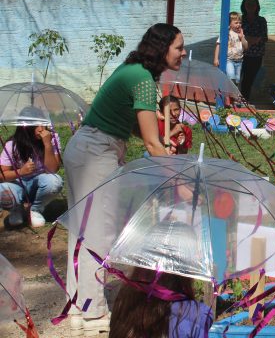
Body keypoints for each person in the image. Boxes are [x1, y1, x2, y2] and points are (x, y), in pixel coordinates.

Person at [62, 23, 186, 334]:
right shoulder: (143, 79)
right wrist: (180, 180)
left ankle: (79, 307)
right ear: (162, 49)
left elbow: (134, 127)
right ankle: (93, 314)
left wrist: (159, 141)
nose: (183, 53)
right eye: (179, 47)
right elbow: (150, 143)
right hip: (96, 152)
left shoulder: (134, 72)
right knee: (98, 234)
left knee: (82, 231)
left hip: (86, 147)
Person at [0, 111, 63, 228]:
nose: (41, 129)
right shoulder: (12, 144)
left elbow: (53, 169)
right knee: (2, 191)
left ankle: (35, 210)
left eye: (43, 124)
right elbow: (2, 175)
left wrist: (48, 145)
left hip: (41, 184)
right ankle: (17, 209)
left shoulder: (52, 139)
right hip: (17, 184)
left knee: (55, 181)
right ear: (25, 127)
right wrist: (21, 172)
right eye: (35, 126)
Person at [240, 0, 268, 101]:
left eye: (253, 4)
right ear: (244, 6)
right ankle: (235, 101)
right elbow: (237, 35)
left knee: (249, 79)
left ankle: (244, 101)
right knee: (237, 78)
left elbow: (264, 37)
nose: (250, 6)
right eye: (248, 4)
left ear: (257, 6)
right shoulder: (241, 20)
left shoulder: (261, 20)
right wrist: (253, 39)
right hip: (240, 55)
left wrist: (246, 39)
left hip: (256, 56)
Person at [213, 11, 248, 86]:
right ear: (230, 24)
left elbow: (246, 47)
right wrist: (216, 58)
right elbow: (218, 45)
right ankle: (229, 92)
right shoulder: (226, 33)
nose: (239, 25)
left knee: (237, 80)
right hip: (229, 60)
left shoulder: (241, 34)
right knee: (231, 76)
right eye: (236, 23)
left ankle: (234, 95)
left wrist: (242, 38)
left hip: (239, 60)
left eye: (240, 23)